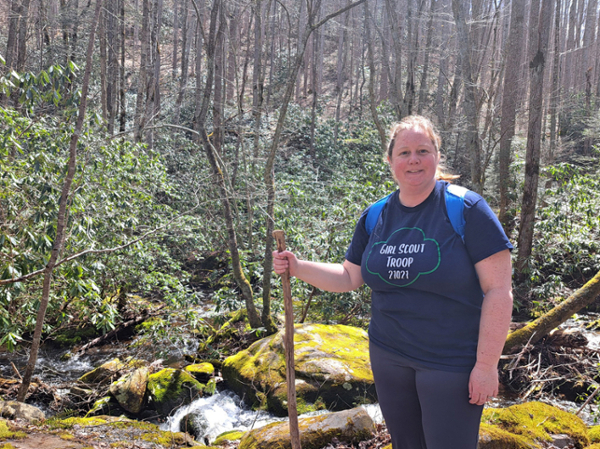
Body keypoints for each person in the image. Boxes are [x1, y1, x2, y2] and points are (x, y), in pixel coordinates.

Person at [272, 115, 513, 449]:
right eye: (404, 152)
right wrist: (297, 267)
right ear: (390, 160)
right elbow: (348, 276)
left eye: (423, 151)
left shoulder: (466, 209)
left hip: (450, 362)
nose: (413, 159)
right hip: (389, 357)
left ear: (437, 156)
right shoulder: (376, 215)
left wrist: (486, 366)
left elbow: (498, 291)